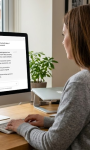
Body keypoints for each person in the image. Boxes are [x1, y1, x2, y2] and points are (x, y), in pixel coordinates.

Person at [6, 4, 90, 150]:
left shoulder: (80, 82)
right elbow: (82, 122)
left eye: (64, 34)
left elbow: (51, 144)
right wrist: (50, 121)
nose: (63, 42)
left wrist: (22, 127)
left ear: (77, 36)